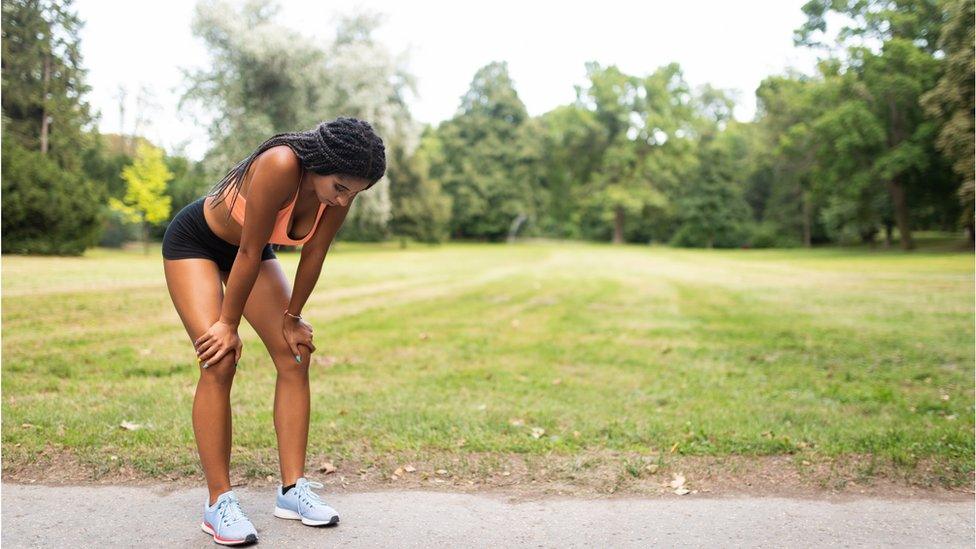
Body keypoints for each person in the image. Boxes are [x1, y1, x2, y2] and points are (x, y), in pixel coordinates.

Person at [161, 117, 385, 545]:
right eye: (340, 188)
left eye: (354, 193)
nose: (343, 201)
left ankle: (292, 490)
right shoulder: (280, 163)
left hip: (250, 253)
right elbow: (245, 249)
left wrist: (292, 317)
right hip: (197, 244)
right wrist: (227, 324)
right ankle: (218, 502)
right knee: (220, 359)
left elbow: (315, 253)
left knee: (295, 353)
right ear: (320, 163)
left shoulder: (341, 189)